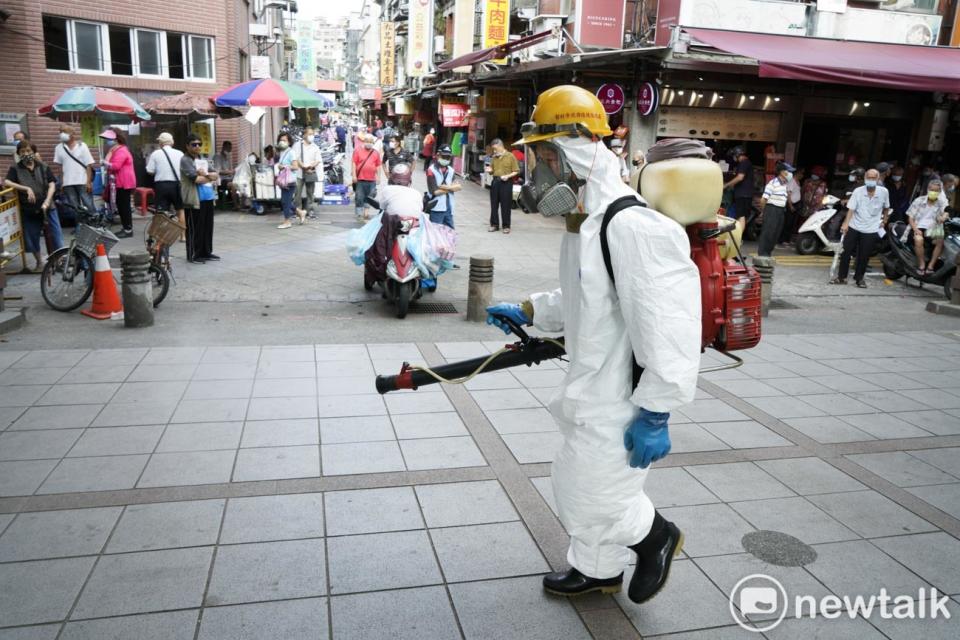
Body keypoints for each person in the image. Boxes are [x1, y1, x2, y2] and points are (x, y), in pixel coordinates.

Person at [485, 86, 700, 603]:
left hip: (621, 398)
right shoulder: (585, 226)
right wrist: (535, 309)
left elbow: (668, 323)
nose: (536, 174)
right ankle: (597, 570)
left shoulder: (633, 226)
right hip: (591, 385)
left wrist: (658, 411)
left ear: (574, 152)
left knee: (591, 493)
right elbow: (590, 295)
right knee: (581, 481)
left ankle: (656, 537)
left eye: (542, 158)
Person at [4, 141, 62, 271]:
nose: (26, 154)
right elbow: (7, 181)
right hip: (29, 208)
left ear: (33, 152)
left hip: (47, 206)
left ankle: (58, 260)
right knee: (31, 237)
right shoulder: (15, 168)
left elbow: (52, 184)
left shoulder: (42, 166)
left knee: (55, 234)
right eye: (22, 151)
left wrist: (47, 200)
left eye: (28, 151)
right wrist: (26, 188)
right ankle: (39, 262)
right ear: (18, 153)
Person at [832, 168, 890, 287]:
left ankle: (859, 279)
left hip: (871, 228)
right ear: (865, 179)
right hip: (855, 225)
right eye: (868, 177)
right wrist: (845, 224)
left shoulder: (884, 192)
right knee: (846, 252)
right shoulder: (858, 191)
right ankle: (841, 277)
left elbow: (886, 207)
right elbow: (851, 209)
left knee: (864, 255)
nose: (871, 180)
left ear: (878, 179)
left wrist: (884, 220)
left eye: (874, 178)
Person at [180, 133, 219, 263]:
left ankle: (206, 252)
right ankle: (193, 255)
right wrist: (206, 176)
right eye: (194, 144)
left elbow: (215, 175)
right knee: (194, 228)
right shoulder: (185, 160)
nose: (197, 147)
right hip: (194, 199)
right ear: (187, 146)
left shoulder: (203, 159)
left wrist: (206, 174)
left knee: (207, 226)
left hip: (207, 197)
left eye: (199, 144)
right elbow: (196, 179)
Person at [145, 132, 185, 235]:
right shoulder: (180, 153)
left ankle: (161, 235)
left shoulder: (155, 154)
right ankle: (183, 236)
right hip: (177, 184)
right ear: (172, 142)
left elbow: (150, 170)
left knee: (161, 212)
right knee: (180, 210)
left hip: (161, 185)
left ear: (161, 143)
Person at [906, 178, 949, 274]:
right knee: (918, 240)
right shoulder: (919, 200)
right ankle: (921, 264)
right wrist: (916, 229)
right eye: (932, 190)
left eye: (936, 191)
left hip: (931, 230)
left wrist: (944, 217)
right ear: (928, 190)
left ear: (940, 192)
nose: (933, 192)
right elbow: (910, 218)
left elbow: (945, 211)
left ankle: (930, 266)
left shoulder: (940, 203)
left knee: (940, 240)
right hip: (917, 227)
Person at [52, 124, 95, 218]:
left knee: (89, 205)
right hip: (68, 183)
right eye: (60, 132)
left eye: (64, 132)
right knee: (75, 207)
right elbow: (60, 167)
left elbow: (89, 165)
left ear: (72, 133)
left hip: (82, 181)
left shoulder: (82, 146)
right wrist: (62, 183)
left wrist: (88, 182)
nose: (61, 134)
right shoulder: (58, 148)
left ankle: (95, 226)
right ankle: (80, 226)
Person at [100, 128, 136, 238]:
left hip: (124, 182)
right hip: (121, 182)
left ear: (116, 139)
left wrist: (104, 163)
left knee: (124, 207)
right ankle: (126, 228)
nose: (107, 141)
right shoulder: (117, 150)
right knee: (122, 206)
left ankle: (128, 230)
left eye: (109, 139)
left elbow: (116, 166)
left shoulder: (121, 151)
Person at [756, 161, 794, 256]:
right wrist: (763, 212)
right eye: (788, 171)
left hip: (780, 210)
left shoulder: (784, 184)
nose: (790, 174)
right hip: (772, 209)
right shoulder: (772, 183)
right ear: (782, 172)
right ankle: (762, 254)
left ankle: (768, 253)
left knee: (776, 233)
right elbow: (763, 199)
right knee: (768, 232)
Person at [487, 138, 519, 233]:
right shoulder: (494, 157)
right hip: (495, 182)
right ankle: (494, 224)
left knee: (506, 205)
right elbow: (492, 170)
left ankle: (506, 226)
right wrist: (490, 171)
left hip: (506, 183)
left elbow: (516, 171)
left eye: (496, 149)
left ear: (501, 146)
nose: (494, 151)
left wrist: (508, 176)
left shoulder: (510, 156)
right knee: (494, 204)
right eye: (494, 149)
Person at [426, 145, 461, 229]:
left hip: (449, 207)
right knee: (435, 233)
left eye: (448, 157)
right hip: (436, 207)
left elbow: (459, 187)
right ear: (438, 155)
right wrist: (451, 188)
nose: (446, 159)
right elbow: (434, 192)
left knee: (450, 232)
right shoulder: (431, 170)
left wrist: (446, 187)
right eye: (444, 156)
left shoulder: (451, 170)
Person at [293, 125, 323, 220]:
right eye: (310, 134)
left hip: (310, 172)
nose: (312, 136)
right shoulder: (297, 145)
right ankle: (298, 211)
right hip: (299, 173)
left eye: (313, 134)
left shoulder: (315, 147)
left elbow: (318, 160)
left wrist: (311, 166)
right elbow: (295, 158)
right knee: (297, 193)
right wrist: (303, 166)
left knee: (310, 193)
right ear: (305, 135)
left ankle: (309, 211)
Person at [352, 133, 382, 220]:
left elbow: (378, 166)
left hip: (372, 179)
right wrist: (354, 175)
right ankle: (359, 213)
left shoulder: (375, 153)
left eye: (371, 142)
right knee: (359, 196)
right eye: (367, 141)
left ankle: (366, 213)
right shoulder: (357, 150)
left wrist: (378, 177)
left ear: (373, 143)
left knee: (370, 196)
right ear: (364, 142)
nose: (369, 143)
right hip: (360, 178)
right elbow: (354, 163)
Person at [723, 147, 753, 226]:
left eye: (733, 155)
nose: (733, 158)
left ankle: (738, 237)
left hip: (743, 194)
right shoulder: (746, 163)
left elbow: (740, 177)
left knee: (741, 216)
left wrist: (726, 185)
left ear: (737, 154)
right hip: (745, 194)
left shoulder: (743, 162)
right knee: (741, 216)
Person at [275, 133, 299, 229]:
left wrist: (284, 167)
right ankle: (300, 212)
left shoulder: (291, 152)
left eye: (284, 140)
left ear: (289, 142)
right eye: (281, 140)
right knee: (286, 201)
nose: (282, 142)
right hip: (284, 180)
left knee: (285, 202)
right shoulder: (282, 152)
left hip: (290, 180)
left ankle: (287, 221)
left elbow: (295, 166)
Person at [781, 166, 804, 244]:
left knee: (793, 223)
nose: (802, 176)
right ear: (798, 174)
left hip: (797, 204)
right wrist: (790, 205)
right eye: (801, 174)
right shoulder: (792, 181)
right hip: (792, 204)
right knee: (788, 222)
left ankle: (788, 239)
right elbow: (789, 194)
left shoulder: (798, 182)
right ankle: (783, 239)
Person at [212, 141, 239, 209]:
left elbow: (230, 170)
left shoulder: (228, 156)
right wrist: (229, 172)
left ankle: (240, 202)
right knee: (233, 185)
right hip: (221, 179)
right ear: (223, 147)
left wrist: (233, 171)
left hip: (229, 177)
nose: (229, 150)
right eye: (228, 148)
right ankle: (235, 205)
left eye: (230, 148)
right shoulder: (217, 156)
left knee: (240, 181)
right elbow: (217, 171)